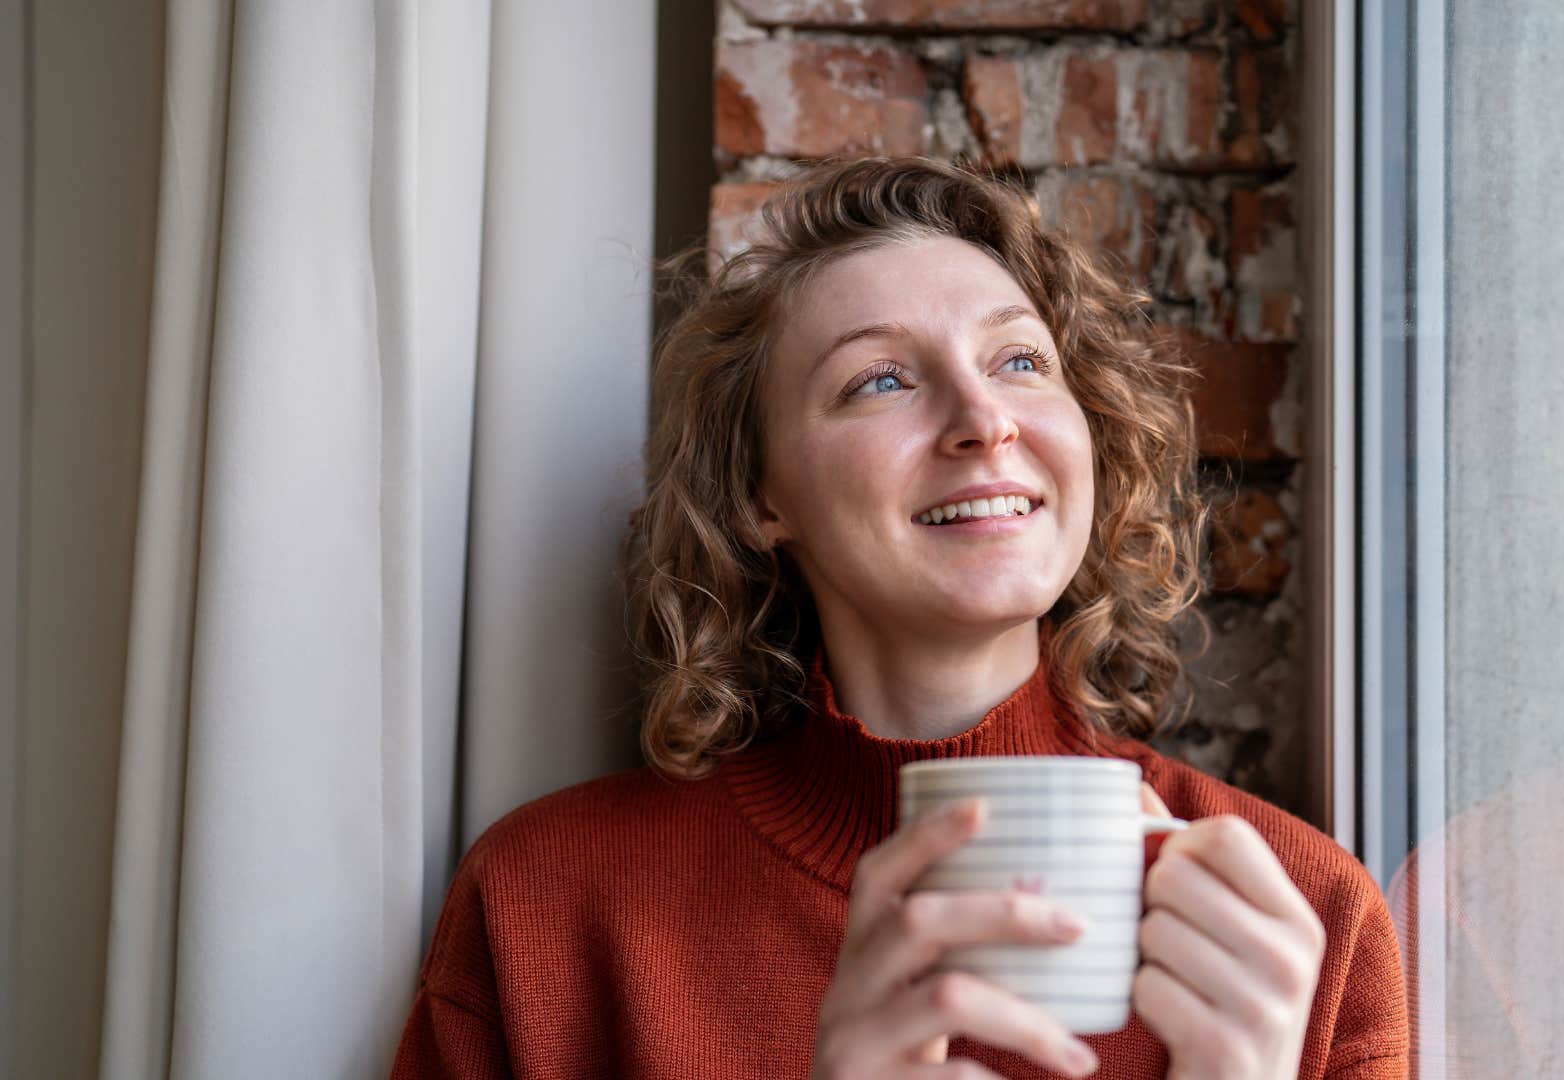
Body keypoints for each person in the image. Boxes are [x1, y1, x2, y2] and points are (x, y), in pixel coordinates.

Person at [389, 156, 1408, 1079]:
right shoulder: (548, 909)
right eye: (880, 380)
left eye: (1019, 362)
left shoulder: (1307, 923)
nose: (985, 420)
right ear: (760, 498)